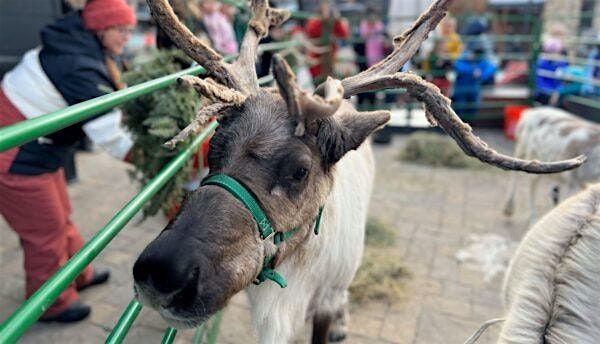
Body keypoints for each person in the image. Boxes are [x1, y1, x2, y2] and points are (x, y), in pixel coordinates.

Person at [0, 0, 136, 323]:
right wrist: (161, 159)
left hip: (38, 149)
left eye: (130, 30)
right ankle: (52, 302)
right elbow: (113, 137)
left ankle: (78, 274)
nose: (127, 38)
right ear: (102, 29)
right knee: (44, 231)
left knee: (63, 216)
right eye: (122, 30)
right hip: (15, 155)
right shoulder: (79, 64)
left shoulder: (80, 42)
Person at [305, 0, 350, 85]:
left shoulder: (334, 20)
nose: (326, 8)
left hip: (332, 59)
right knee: (319, 84)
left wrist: (338, 19)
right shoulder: (314, 20)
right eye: (324, 5)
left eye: (328, 5)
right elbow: (311, 33)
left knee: (333, 84)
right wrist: (322, 21)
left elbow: (344, 34)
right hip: (318, 59)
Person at [451, 42, 496, 121]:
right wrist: (472, 70)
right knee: (460, 107)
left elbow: (491, 67)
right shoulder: (464, 58)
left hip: (474, 89)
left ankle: (469, 125)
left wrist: (481, 74)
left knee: (473, 107)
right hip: (461, 89)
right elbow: (457, 66)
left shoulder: (481, 59)